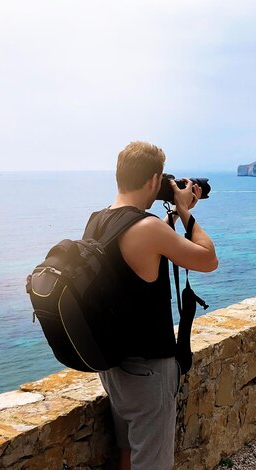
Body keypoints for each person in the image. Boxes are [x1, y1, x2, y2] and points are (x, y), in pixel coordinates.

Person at [84, 141, 218, 470]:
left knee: (129, 452)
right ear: (152, 181)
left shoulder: (97, 221)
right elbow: (208, 259)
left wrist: (168, 217)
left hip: (113, 364)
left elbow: (134, 270)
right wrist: (184, 211)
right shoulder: (147, 228)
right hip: (147, 371)